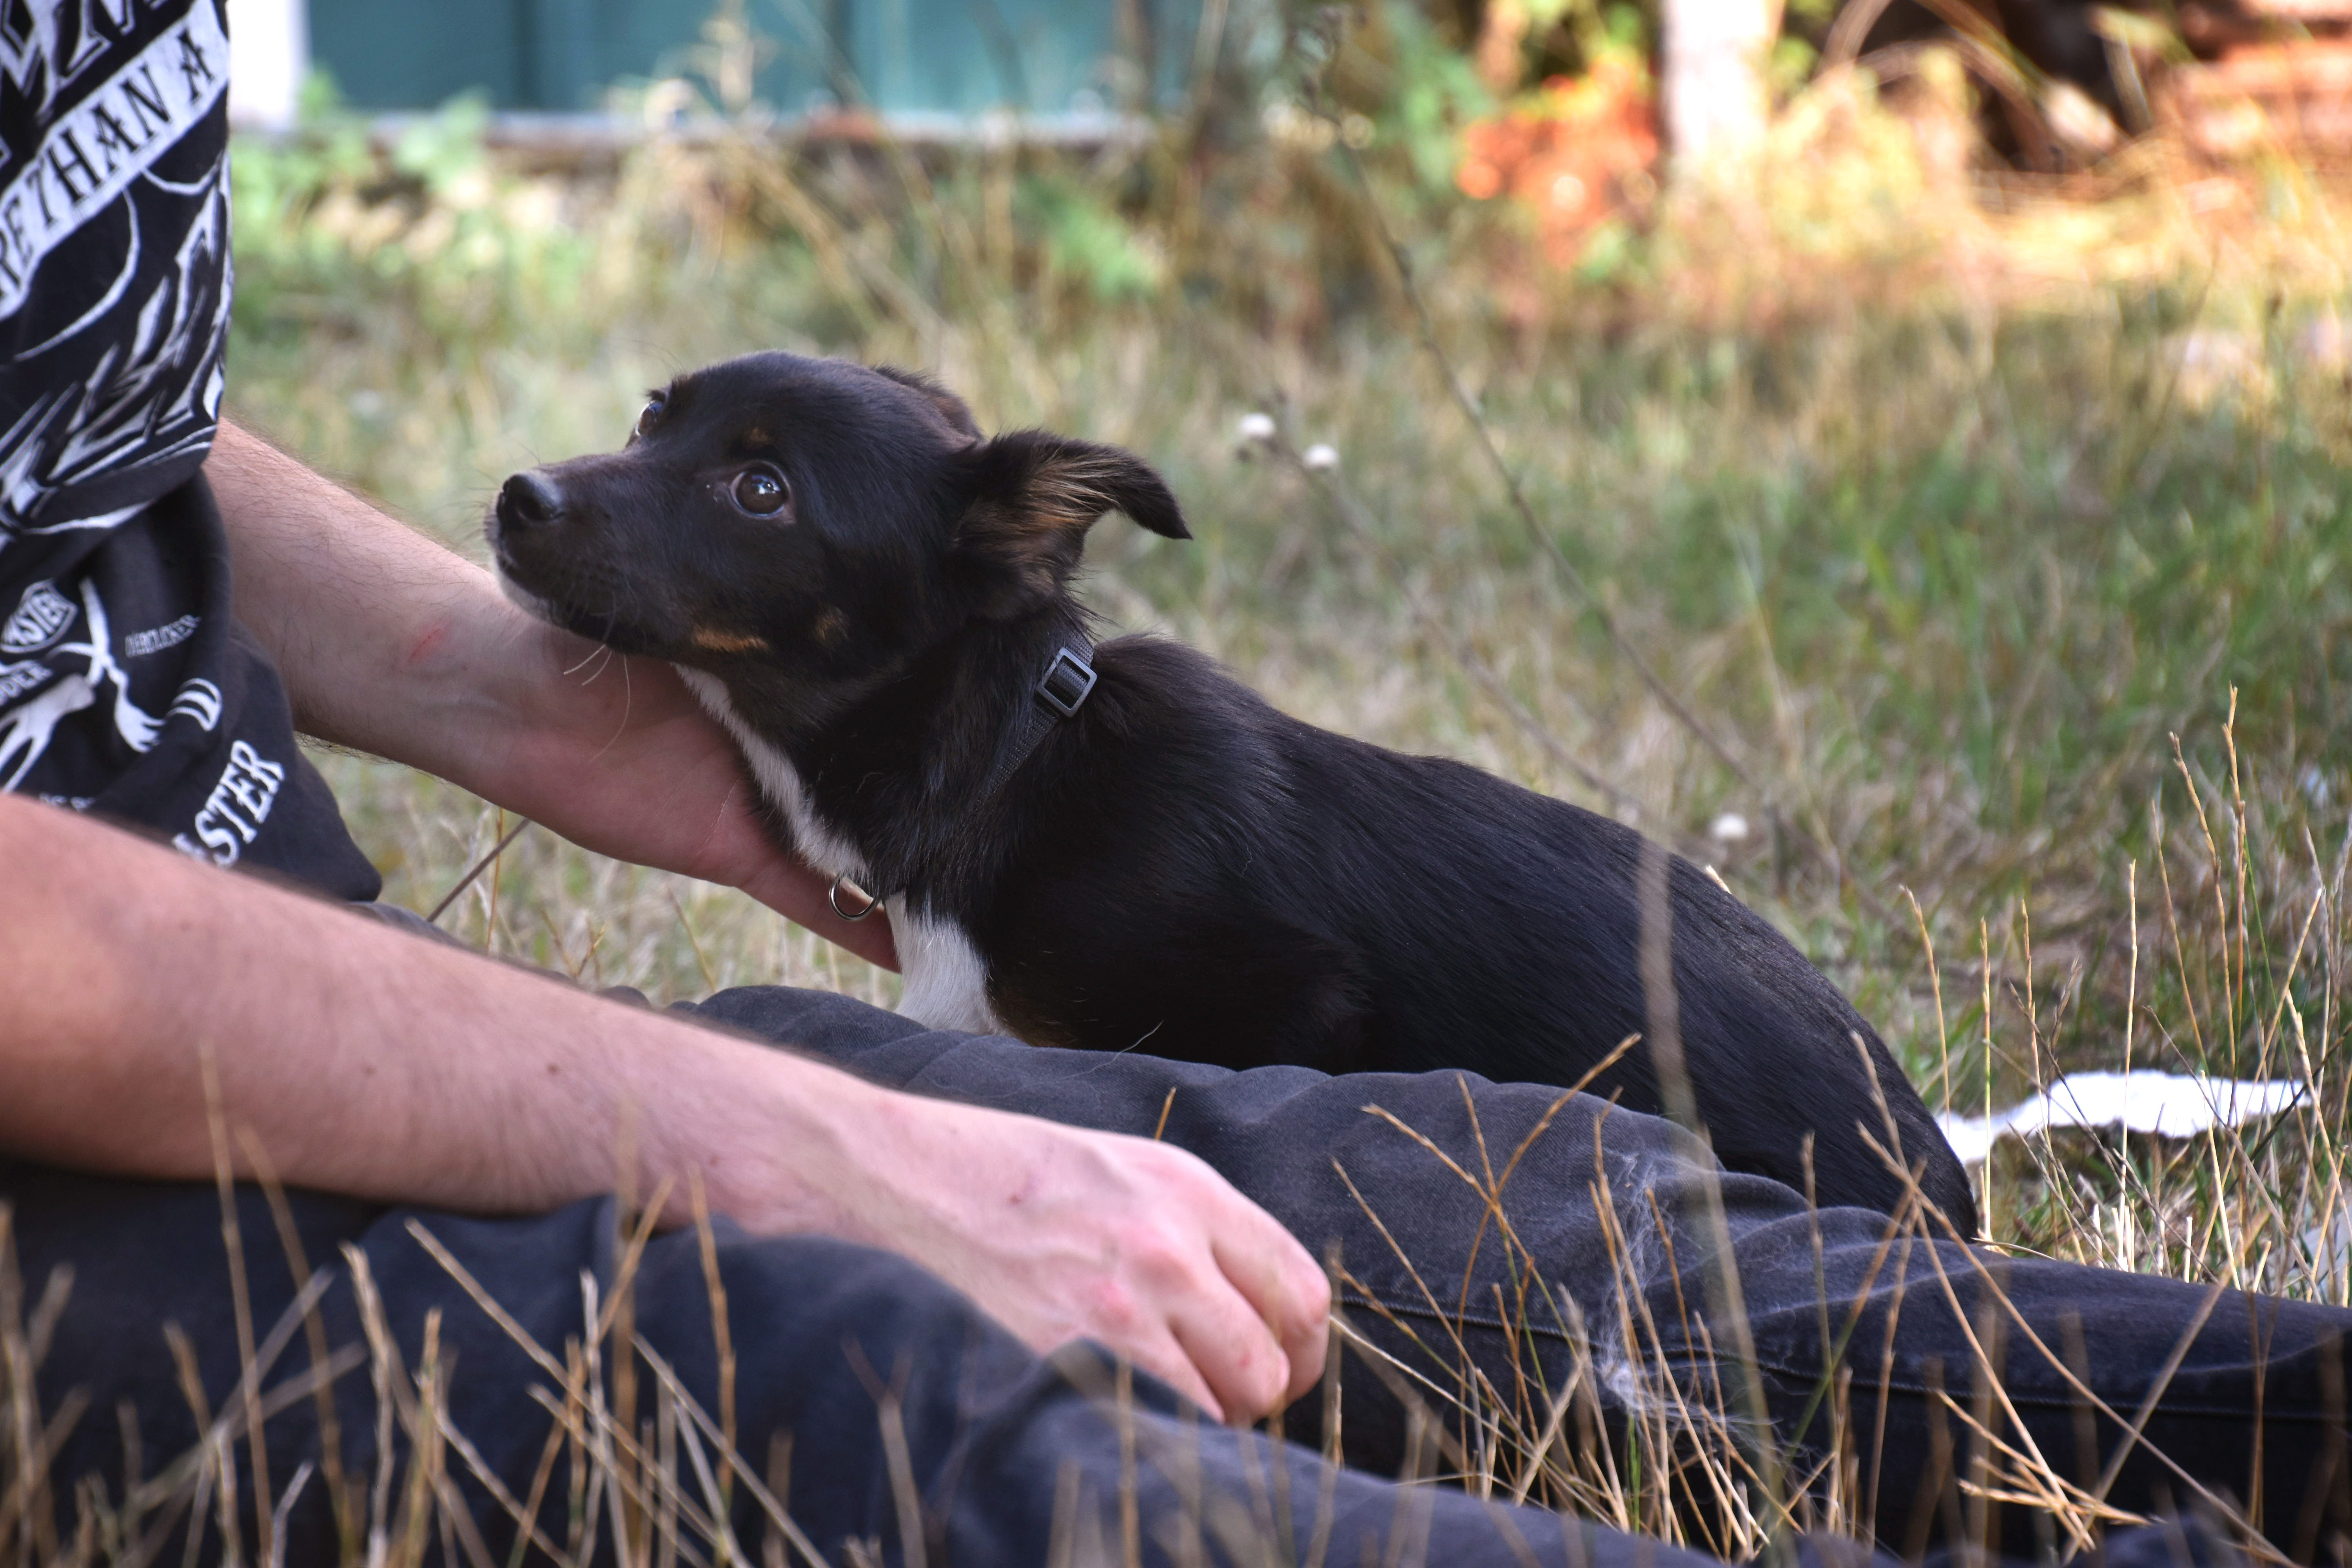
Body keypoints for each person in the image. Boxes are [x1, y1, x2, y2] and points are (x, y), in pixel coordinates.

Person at [0, 4, 2342, 1564]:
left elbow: (80, 428)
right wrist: (763, 1130)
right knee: (930, 1403)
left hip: (303, 1012)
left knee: (1479, 1218)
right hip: (92, 1190)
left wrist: (514, 694)